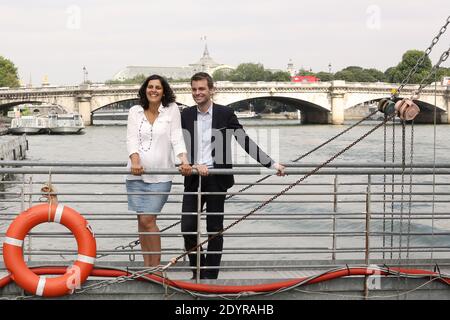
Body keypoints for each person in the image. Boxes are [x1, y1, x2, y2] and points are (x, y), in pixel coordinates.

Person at [181, 72, 285, 279]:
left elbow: (243, 140)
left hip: (217, 178)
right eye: (194, 89)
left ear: (211, 90)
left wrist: (271, 163)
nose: (197, 93)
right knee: (188, 227)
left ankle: (210, 277)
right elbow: (177, 144)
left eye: (201, 89)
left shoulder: (225, 113)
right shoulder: (186, 115)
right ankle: (198, 271)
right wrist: (190, 164)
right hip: (193, 176)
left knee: (214, 228)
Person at [126, 74, 192, 267]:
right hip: (135, 175)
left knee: (149, 219)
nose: (153, 90)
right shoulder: (135, 111)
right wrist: (135, 162)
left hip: (161, 175)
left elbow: (177, 138)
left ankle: (156, 268)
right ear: (145, 90)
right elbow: (131, 140)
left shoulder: (171, 111)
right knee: (141, 220)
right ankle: (147, 266)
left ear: (164, 92)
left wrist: (184, 161)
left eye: (158, 87)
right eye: (150, 86)